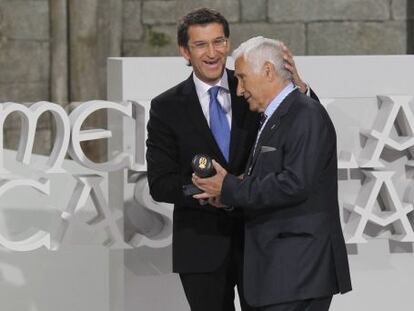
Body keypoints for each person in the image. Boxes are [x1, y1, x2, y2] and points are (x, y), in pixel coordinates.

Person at [146, 8, 318, 311]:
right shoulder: (166, 107)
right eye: (201, 45)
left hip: (261, 240)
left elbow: (301, 127)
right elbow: (160, 183)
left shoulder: (252, 89)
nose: (212, 53)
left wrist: (300, 89)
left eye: (219, 41)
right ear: (184, 51)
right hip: (201, 247)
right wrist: (211, 192)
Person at [192, 36, 352, 311]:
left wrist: (229, 187)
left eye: (242, 78)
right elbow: (275, 178)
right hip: (278, 275)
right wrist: (228, 192)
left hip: (296, 273)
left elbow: (294, 184)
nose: (239, 90)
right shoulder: (276, 117)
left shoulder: (304, 114)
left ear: (268, 70)